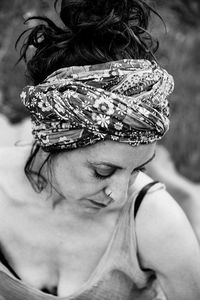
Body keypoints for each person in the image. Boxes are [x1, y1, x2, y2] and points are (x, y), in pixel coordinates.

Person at [0, 0, 200, 299]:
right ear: (52, 140)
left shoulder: (152, 219)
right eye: (103, 171)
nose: (119, 195)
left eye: (139, 169)